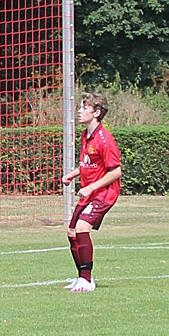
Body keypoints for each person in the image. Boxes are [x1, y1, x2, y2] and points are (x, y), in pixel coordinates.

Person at [60, 93, 123, 292]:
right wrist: (73, 174)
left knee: (81, 229)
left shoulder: (105, 139)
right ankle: (81, 276)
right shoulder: (86, 134)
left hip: (104, 193)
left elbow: (116, 171)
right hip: (89, 193)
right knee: (71, 232)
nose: (79, 111)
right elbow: (90, 164)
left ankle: (87, 279)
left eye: (84, 108)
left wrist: (91, 187)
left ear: (96, 113)